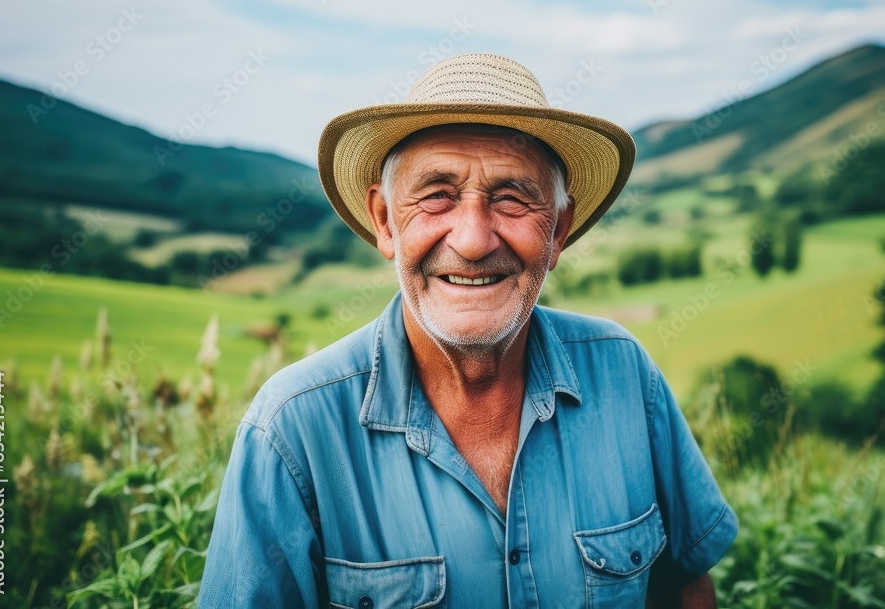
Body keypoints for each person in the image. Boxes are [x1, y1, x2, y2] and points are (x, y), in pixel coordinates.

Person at [199, 53, 738, 608]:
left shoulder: (626, 374)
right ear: (385, 221)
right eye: (437, 194)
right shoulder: (293, 430)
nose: (475, 240)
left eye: (512, 197)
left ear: (558, 232)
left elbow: (685, 587)